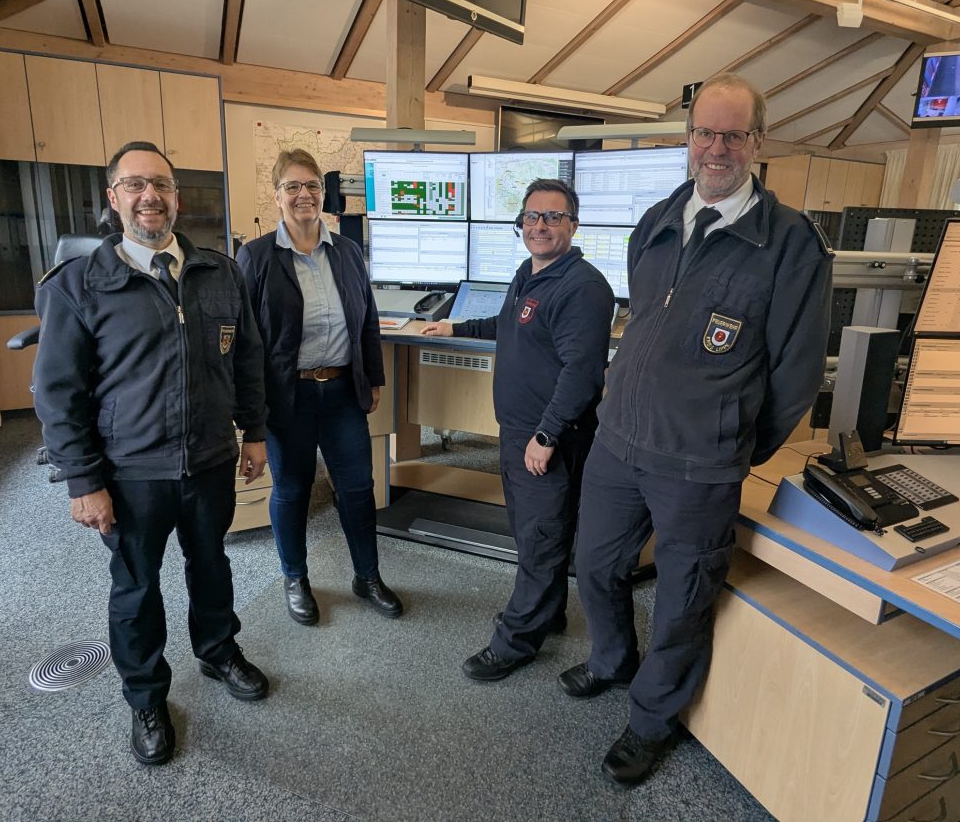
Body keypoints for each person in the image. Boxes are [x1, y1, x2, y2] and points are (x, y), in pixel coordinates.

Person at [563, 74, 832, 786]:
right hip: (618, 443)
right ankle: (612, 659)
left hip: (699, 466)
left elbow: (797, 373)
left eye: (732, 135)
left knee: (683, 600)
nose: (716, 148)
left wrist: (732, 441)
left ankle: (652, 719)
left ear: (757, 143)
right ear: (689, 138)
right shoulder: (657, 219)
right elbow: (642, 318)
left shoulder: (791, 244)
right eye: (704, 133)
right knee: (595, 564)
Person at [34, 141, 271, 766]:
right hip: (130, 472)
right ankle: (145, 696)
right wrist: (83, 481)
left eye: (161, 184)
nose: (150, 196)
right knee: (137, 587)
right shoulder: (79, 285)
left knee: (211, 565)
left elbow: (246, 361)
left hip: (210, 459)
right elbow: (58, 394)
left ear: (177, 198)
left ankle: (218, 652)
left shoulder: (220, 273)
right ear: (113, 199)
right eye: (135, 185)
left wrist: (255, 432)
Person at [422, 179, 615, 681]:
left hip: (547, 436)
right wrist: (457, 327)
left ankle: (515, 640)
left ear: (573, 225)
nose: (540, 225)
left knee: (542, 536)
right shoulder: (529, 274)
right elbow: (509, 324)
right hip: (518, 431)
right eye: (531, 216)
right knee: (532, 533)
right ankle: (548, 613)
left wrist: (547, 435)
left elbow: (582, 373)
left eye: (553, 216)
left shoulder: (583, 287)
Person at [237, 149, 402, 626]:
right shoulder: (256, 257)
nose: (303, 194)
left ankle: (367, 577)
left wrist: (372, 379)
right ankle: (295, 578)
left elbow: (366, 319)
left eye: (311, 185)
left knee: (358, 488)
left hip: (343, 392)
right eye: (292, 186)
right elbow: (246, 340)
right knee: (292, 490)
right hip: (288, 397)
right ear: (277, 196)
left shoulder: (346, 252)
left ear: (322, 193)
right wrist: (252, 416)